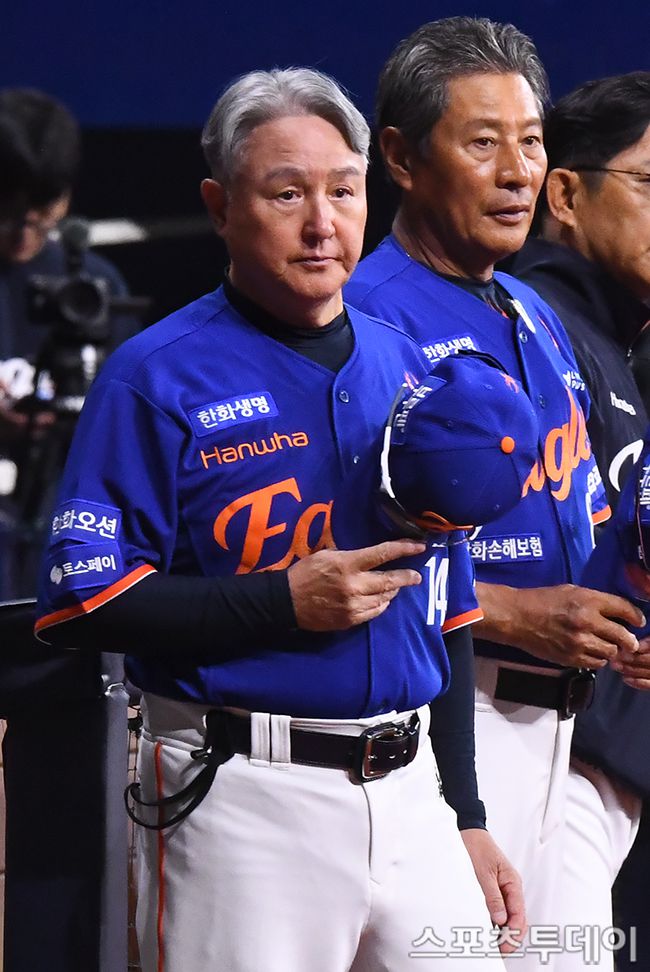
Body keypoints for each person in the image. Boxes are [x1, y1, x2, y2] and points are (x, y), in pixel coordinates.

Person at [34, 68, 524, 972]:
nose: (322, 223)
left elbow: (448, 610)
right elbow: (80, 601)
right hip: (241, 796)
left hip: (413, 792)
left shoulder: (411, 367)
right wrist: (280, 602)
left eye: (343, 190)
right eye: (287, 193)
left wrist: (465, 811)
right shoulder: (154, 377)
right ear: (220, 207)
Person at [345, 17, 645, 970]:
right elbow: (338, 558)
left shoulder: (531, 311)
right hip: (454, 715)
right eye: (483, 143)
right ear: (401, 158)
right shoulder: (365, 321)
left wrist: (630, 619)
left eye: (530, 141)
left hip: (569, 735)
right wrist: (515, 612)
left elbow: (584, 512)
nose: (517, 172)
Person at [505, 73, 650, 971]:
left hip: (595, 759)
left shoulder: (616, 343)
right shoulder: (534, 328)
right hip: (538, 746)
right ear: (564, 193)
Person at [0, 88, 138, 589]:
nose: (22, 233)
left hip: (56, 549)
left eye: (40, 212)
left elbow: (128, 427)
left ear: (65, 199)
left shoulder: (92, 289)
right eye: (6, 209)